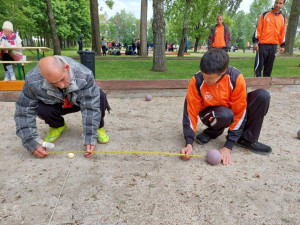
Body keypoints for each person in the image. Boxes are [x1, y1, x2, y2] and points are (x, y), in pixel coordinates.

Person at [180, 49, 272, 165]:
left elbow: (240, 112)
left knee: (262, 96)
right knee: (225, 114)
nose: (205, 80)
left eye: (209, 78)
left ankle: (246, 139)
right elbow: (190, 112)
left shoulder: (236, 78)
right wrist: (189, 143)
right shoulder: (197, 80)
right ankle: (211, 133)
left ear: (223, 71)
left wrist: (228, 146)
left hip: (230, 111)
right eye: (204, 76)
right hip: (210, 113)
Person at [14, 56, 110, 159]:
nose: (61, 86)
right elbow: (24, 111)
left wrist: (90, 136)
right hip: (55, 103)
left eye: (62, 79)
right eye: (53, 83)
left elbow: (90, 106)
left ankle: (98, 127)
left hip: (78, 102)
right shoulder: (33, 80)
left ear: (67, 68)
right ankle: (57, 125)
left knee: (99, 96)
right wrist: (31, 142)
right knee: (40, 107)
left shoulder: (84, 74)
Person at [253, 0, 286, 77]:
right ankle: (256, 85)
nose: (277, 5)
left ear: (283, 4)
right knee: (258, 67)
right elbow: (258, 29)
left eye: (280, 3)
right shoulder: (265, 15)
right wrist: (255, 42)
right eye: (276, 2)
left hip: (273, 46)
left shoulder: (283, 18)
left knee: (268, 69)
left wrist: (282, 45)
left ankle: (265, 87)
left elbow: (282, 32)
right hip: (262, 45)